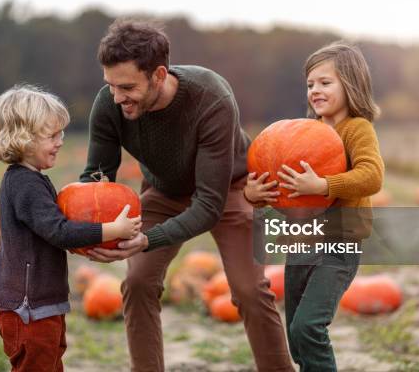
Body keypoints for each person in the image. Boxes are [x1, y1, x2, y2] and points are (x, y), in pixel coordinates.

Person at [80, 20, 294, 372]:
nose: (117, 98)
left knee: (250, 291)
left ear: (159, 75)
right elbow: (96, 178)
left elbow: (209, 205)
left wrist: (149, 239)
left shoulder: (211, 99)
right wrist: (89, 230)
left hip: (228, 189)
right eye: (111, 86)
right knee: (137, 282)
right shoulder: (109, 103)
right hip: (163, 192)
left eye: (127, 87)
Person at [244, 42, 384, 371]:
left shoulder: (357, 129)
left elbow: (372, 176)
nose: (315, 90)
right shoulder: (306, 135)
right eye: (310, 84)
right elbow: (291, 197)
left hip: (339, 245)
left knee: (308, 327)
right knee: (296, 334)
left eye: (325, 82)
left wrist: (323, 185)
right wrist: (256, 194)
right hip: (303, 243)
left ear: (350, 84)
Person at [0, 84, 141, 372]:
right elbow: (59, 231)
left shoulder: (32, 179)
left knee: (51, 364)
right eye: (52, 135)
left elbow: (51, 234)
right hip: (29, 310)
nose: (60, 141)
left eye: (61, 133)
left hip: (42, 304)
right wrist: (110, 230)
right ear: (24, 138)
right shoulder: (25, 184)